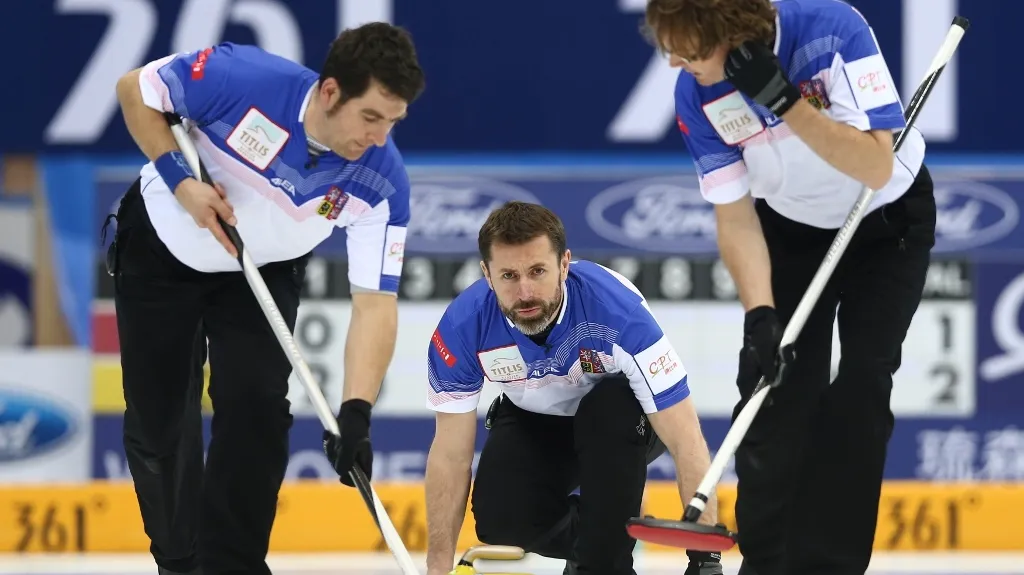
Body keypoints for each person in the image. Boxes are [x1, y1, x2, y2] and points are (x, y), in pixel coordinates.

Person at [109, 22, 425, 575]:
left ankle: (233, 566)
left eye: (392, 123)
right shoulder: (240, 76)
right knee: (159, 425)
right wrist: (183, 182)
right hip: (160, 252)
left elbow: (375, 303)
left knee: (256, 408)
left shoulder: (381, 180)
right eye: (370, 117)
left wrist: (356, 412)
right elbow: (135, 89)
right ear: (330, 92)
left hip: (262, 271)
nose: (378, 139)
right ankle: (179, 562)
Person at [643, 0, 937, 574]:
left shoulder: (833, 29)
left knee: (860, 387)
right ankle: (767, 563)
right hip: (790, 229)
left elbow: (876, 167)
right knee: (772, 388)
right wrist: (760, 315)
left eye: (688, 47)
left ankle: (828, 566)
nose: (675, 60)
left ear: (732, 34)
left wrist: (784, 102)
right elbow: (735, 217)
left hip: (884, 225)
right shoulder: (696, 94)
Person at [421, 201, 724, 575]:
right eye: (509, 276)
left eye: (537, 271)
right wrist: (436, 568)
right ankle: (604, 536)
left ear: (564, 264)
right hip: (536, 419)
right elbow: (450, 456)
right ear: (486, 273)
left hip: (622, 422)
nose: (526, 292)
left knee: (608, 406)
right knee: (500, 521)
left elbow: (686, 438)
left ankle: (604, 556)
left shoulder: (618, 314)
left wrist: (705, 559)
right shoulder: (463, 327)